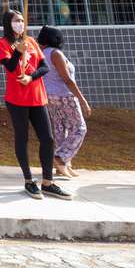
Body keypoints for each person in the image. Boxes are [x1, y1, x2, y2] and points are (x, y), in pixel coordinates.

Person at [0, 9, 71, 200]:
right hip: (17, 99)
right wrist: (17, 53)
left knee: (48, 139)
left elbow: (44, 67)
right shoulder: (2, 44)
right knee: (23, 138)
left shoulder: (31, 42)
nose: (20, 23)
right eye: (16, 20)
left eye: (22, 20)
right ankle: (29, 180)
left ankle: (48, 182)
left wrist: (30, 77)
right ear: (8, 23)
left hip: (37, 96)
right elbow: (11, 67)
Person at [37, 26, 91, 178]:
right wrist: (83, 101)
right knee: (80, 129)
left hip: (49, 96)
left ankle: (64, 165)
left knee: (61, 129)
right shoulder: (56, 54)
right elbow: (67, 80)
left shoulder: (40, 53)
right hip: (64, 95)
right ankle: (60, 157)